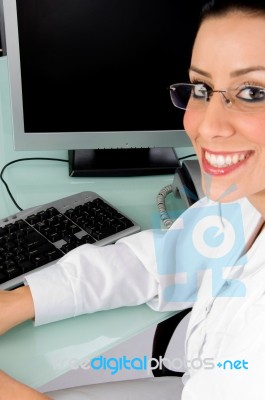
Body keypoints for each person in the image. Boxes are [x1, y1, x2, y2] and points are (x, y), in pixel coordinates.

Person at [1, 0, 265, 398]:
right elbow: (165, 258)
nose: (207, 125)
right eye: (201, 88)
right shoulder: (242, 200)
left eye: (253, 91)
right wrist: (22, 301)